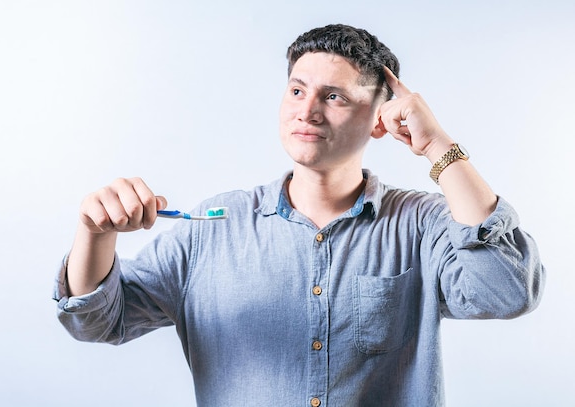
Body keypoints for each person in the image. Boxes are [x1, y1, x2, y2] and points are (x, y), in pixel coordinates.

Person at [54, 24, 545, 406]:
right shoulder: (211, 228)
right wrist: (94, 233)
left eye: (334, 97)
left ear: (380, 119)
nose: (306, 111)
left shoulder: (420, 223)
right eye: (296, 90)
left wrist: (439, 145)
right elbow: (98, 321)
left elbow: (505, 292)